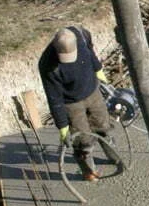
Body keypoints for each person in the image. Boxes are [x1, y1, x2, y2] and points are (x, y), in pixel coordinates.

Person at [39, 27, 113, 181]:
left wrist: (98, 69)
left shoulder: (81, 35)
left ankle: (115, 158)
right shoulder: (47, 64)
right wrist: (63, 127)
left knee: (103, 127)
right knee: (83, 141)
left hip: (92, 92)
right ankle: (89, 172)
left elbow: (90, 51)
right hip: (71, 103)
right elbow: (54, 98)